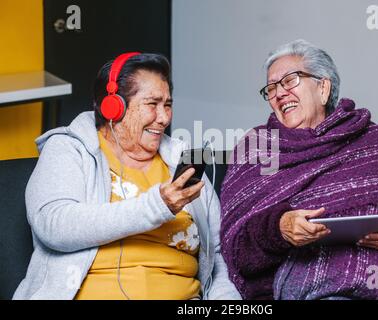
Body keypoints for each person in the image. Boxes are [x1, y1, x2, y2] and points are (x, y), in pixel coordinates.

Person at [220, 39, 378, 300]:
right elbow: (238, 250)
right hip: (319, 287)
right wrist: (279, 228)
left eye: (290, 80)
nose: (279, 93)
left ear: (323, 88)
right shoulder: (258, 148)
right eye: (271, 88)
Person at [14, 52, 241, 300]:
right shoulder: (69, 149)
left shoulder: (180, 162)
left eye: (168, 105)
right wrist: (158, 205)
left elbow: (217, 254)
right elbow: (54, 225)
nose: (164, 118)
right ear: (114, 106)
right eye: (152, 104)